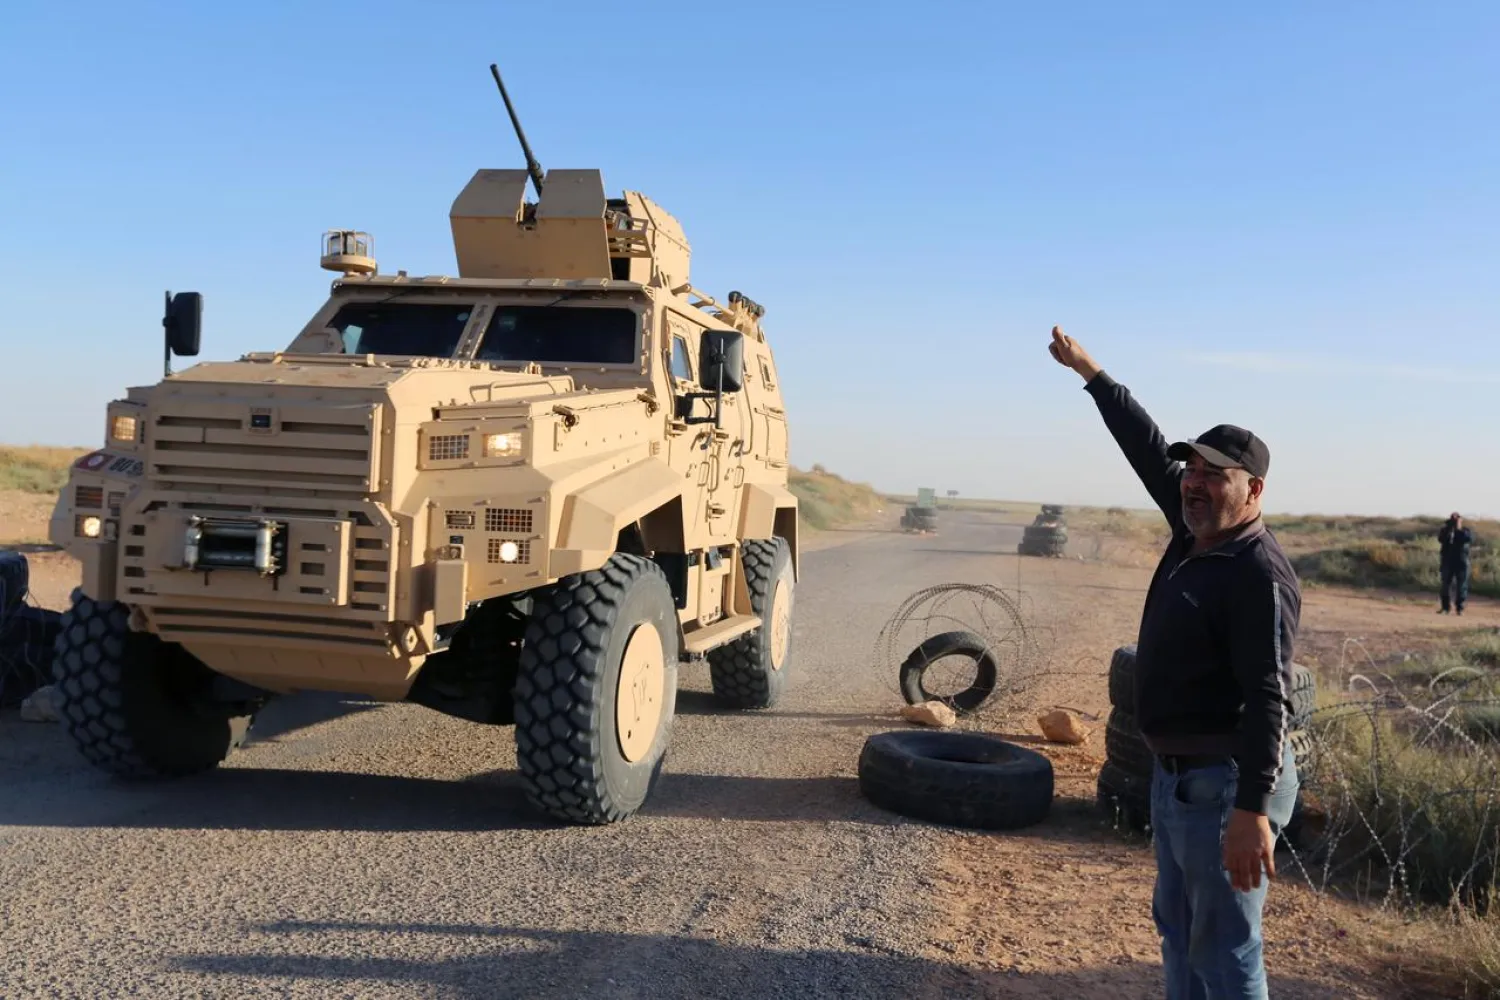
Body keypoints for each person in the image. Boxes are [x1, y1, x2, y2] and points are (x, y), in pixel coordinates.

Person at [1049, 326, 1300, 999]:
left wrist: (1250, 811)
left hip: (1225, 785)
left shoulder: (1258, 574)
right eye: (1192, 469)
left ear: (1254, 491)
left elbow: (1270, 697)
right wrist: (1092, 374)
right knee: (1180, 930)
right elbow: (1144, 445)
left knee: (1225, 951)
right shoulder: (1195, 526)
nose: (1195, 482)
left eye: (1214, 475)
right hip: (1178, 777)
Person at [1437, 512, 1474, 615]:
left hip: (1461, 562)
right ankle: (1445, 608)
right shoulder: (1445, 531)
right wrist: (1449, 529)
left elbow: (1468, 539)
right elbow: (1441, 539)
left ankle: (1459, 608)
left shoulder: (1465, 531)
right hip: (1447, 561)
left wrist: (1458, 529)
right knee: (1445, 585)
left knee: (1461, 586)